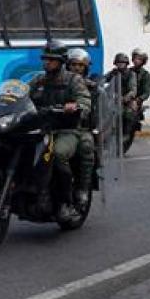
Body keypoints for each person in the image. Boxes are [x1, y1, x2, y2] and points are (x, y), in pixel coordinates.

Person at [27, 41, 92, 223]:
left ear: (61, 61)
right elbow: (23, 93)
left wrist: (77, 106)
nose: (47, 63)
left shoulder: (74, 80)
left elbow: (85, 101)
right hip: (42, 128)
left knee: (56, 155)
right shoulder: (39, 79)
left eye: (51, 59)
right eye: (45, 59)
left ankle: (65, 202)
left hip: (67, 129)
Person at [65, 48, 98, 208]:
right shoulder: (58, 81)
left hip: (81, 128)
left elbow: (97, 111)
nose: (77, 68)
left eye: (80, 65)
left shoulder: (91, 87)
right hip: (54, 125)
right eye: (73, 64)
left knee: (86, 146)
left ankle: (82, 188)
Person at [109, 53, 137, 138]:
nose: (120, 64)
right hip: (114, 98)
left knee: (128, 113)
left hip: (127, 100)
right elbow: (104, 80)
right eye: (118, 62)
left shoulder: (131, 74)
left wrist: (125, 98)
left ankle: (126, 133)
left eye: (122, 62)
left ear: (126, 63)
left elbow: (133, 90)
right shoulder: (113, 73)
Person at [131, 47, 150, 113]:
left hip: (136, 102)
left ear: (143, 60)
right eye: (134, 58)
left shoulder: (146, 75)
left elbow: (146, 93)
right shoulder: (128, 71)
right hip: (124, 100)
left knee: (129, 116)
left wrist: (137, 100)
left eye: (139, 59)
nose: (136, 60)